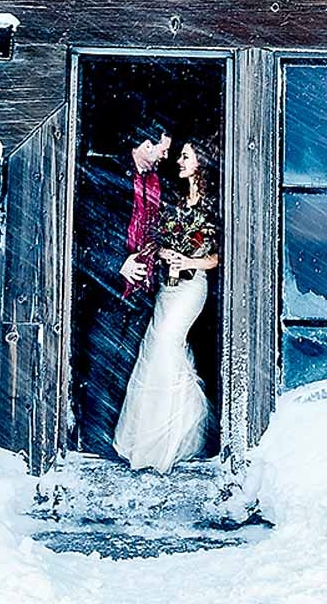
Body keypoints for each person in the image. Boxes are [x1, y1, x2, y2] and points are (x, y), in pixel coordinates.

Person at [113, 139, 221, 471]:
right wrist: (166, 255)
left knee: (165, 344)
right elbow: (156, 241)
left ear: (199, 163)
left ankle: (181, 431)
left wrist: (189, 259)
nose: (178, 161)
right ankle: (151, 437)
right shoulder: (174, 199)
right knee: (155, 351)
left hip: (192, 287)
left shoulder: (213, 205)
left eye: (185, 156)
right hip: (167, 286)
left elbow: (218, 258)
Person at [75, 116, 172, 461]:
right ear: (145, 144)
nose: (165, 155)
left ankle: (112, 438)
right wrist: (116, 262)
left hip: (143, 290)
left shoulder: (160, 182)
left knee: (125, 367)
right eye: (162, 147)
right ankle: (93, 441)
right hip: (109, 288)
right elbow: (83, 231)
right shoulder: (106, 175)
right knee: (102, 364)